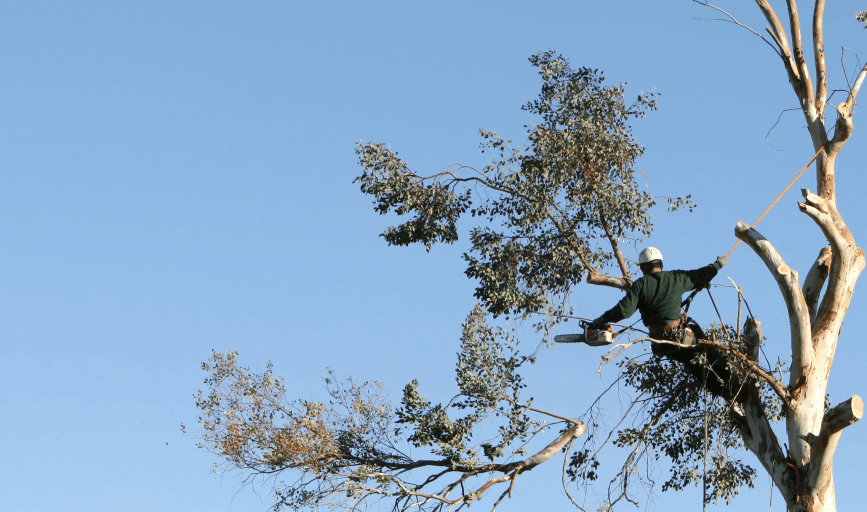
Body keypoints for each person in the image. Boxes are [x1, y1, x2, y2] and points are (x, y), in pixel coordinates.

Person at [590, 247, 727, 341]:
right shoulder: (676, 278)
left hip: (658, 340)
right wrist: (717, 265)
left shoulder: (640, 284)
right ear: (660, 263)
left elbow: (624, 311)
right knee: (702, 342)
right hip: (679, 335)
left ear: (644, 267)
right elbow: (700, 275)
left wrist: (602, 319)